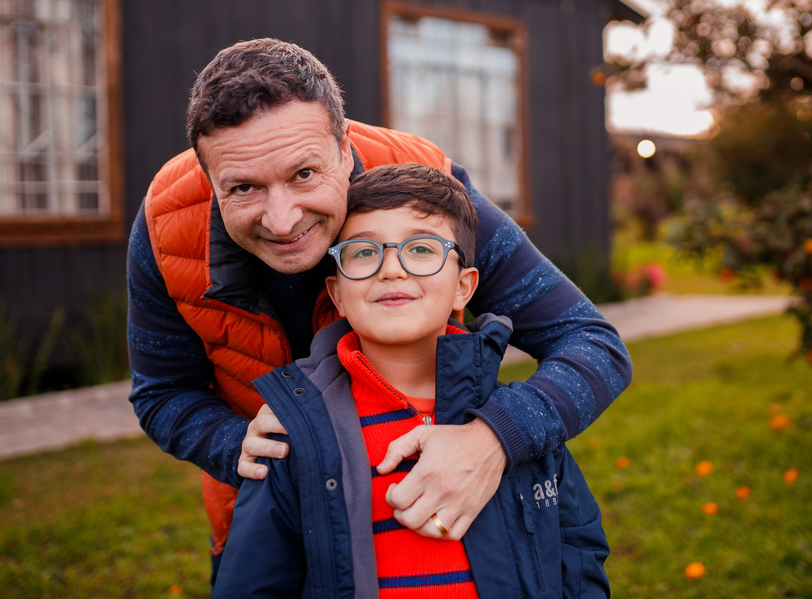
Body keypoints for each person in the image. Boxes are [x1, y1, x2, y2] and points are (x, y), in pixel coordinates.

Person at [127, 38, 630, 582]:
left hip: (454, 519)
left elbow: (591, 342)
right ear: (208, 177)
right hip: (270, 533)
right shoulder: (165, 224)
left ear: (344, 149)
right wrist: (232, 446)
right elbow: (162, 394)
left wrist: (493, 439)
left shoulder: (427, 192)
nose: (281, 219)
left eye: (303, 175)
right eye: (244, 187)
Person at [212, 164, 611, 598]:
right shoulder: (293, 432)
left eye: (421, 249)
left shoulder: (520, 421)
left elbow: (579, 553)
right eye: (363, 253)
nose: (391, 269)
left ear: (464, 287)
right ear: (337, 294)